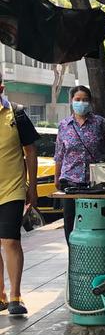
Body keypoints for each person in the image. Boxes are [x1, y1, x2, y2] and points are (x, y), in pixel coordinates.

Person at [53, 85, 105, 243]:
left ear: (90, 102)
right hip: (70, 182)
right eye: (77, 100)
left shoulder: (99, 123)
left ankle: (97, 251)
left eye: (85, 100)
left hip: (96, 182)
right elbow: (59, 154)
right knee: (70, 221)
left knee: (97, 221)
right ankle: (73, 256)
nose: (81, 103)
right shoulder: (64, 125)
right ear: (71, 101)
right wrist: (57, 178)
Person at [0, 74, 39, 316]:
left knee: (10, 240)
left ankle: (15, 295)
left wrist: (32, 187)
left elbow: (31, 151)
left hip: (12, 188)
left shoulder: (16, 113)